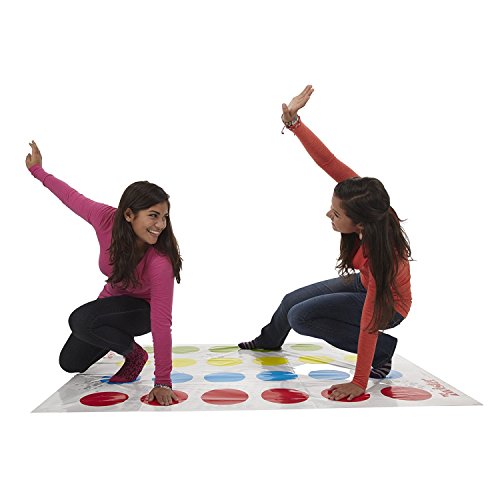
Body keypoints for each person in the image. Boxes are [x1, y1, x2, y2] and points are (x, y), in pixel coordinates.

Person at [239, 85, 412, 401]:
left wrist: (359, 382)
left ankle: (384, 350)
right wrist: (294, 124)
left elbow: (370, 320)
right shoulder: (369, 202)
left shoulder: (380, 257)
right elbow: (329, 161)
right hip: (363, 283)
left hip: (389, 305)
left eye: (337, 213)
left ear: (360, 223)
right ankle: (268, 341)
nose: (328, 214)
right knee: (291, 300)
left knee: (301, 317)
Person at [25, 141, 182, 406]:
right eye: (153, 216)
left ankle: (135, 355)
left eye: (164, 217)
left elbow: (161, 322)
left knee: (80, 320)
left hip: (141, 314)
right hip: (110, 307)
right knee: (70, 363)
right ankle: (122, 344)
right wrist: (37, 170)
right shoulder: (105, 219)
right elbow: (70, 196)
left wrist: (163, 381)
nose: (161, 225)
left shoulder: (160, 261)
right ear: (129, 214)